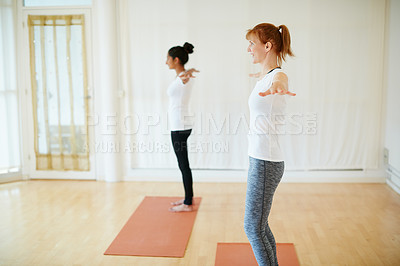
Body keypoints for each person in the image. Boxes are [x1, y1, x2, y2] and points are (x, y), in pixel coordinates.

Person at [243, 23, 296, 265]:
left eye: (252, 43)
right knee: (260, 227)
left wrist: (279, 86)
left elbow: (281, 80)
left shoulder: (277, 76)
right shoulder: (265, 77)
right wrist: (266, 81)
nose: (248, 49)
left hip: (266, 161)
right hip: (261, 158)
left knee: (252, 228)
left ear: (268, 45)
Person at [165, 42, 199, 212]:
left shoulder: (183, 78)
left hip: (179, 127)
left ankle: (187, 203)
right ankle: (187, 198)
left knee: (183, 165)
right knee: (183, 164)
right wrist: (187, 72)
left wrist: (186, 74)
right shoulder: (184, 76)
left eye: (168, 59)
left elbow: (183, 81)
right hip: (182, 124)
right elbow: (184, 79)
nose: (166, 62)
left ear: (176, 60)